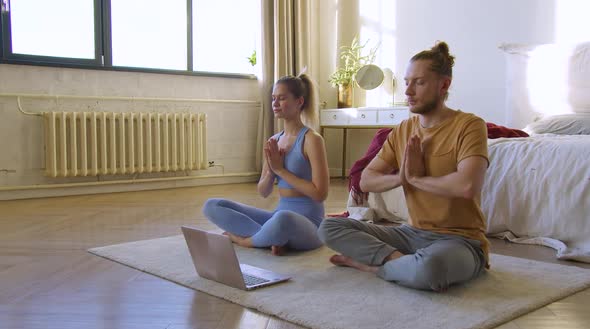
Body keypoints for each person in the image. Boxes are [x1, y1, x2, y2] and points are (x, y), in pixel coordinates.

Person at [318, 41, 490, 291]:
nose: (408, 91)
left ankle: (376, 266)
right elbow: (366, 181)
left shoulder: (470, 126)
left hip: (460, 241)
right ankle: (402, 264)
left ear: (444, 85)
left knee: (431, 269)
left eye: (419, 82)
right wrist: (402, 178)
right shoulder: (403, 130)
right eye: (407, 82)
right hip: (410, 234)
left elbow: (467, 186)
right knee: (329, 226)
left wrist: (416, 179)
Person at [203, 73, 329, 256]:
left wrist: (280, 170)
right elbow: (263, 192)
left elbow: (320, 194)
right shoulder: (274, 141)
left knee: (283, 219)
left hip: (309, 225)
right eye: (273, 99)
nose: (275, 104)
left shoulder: (312, 140)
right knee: (212, 205)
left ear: (299, 101)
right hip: (276, 217)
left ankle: (246, 240)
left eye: (282, 98)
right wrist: (271, 170)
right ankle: (273, 238)